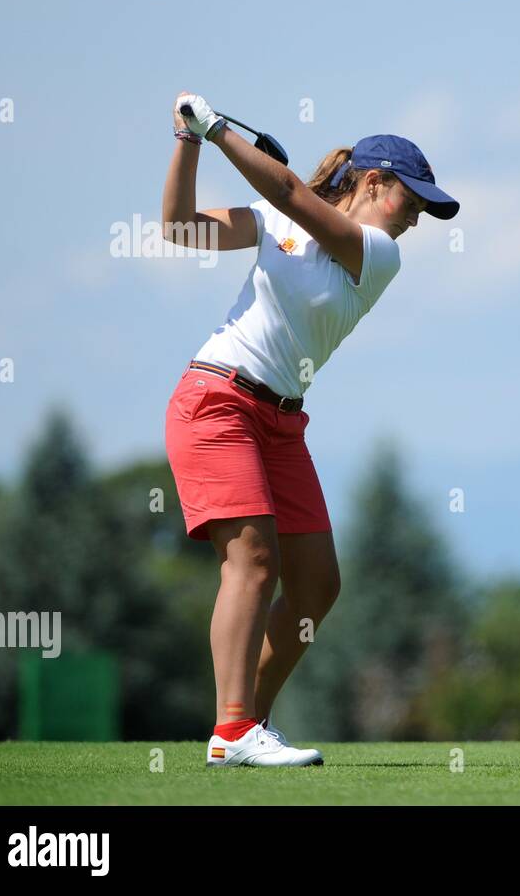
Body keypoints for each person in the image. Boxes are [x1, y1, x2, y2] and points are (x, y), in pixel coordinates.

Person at [161, 92, 459, 767]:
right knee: (253, 562)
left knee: (317, 583)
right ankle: (233, 730)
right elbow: (180, 227)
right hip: (217, 400)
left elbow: (296, 194)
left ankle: (247, 724)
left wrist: (220, 133)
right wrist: (189, 140)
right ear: (372, 180)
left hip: (280, 420)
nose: (412, 221)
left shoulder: (378, 254)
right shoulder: (276, 217)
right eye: (408, 202)